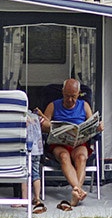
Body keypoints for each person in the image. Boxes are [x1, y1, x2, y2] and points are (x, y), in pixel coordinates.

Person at [39, 77, 101, 209]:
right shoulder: (53, 105)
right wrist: (52, 127)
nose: (70, 100)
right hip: (59, 143)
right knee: (64, 157)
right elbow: (43, 124)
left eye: (73, 96)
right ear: (62, 92)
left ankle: (76, 193)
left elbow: (92, 125)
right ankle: (78, 191)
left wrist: (98, 127)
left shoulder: (84, 105)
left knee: (81, 158)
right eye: (67, 96)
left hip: (79, 143)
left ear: (78, 94)